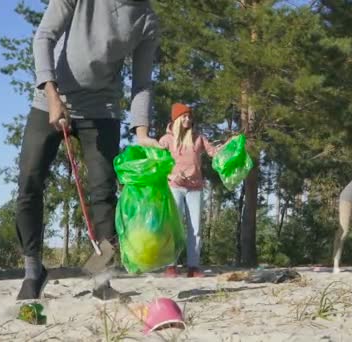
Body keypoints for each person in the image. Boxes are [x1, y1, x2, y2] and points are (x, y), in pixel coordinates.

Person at [15, 0, 161, 300]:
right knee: (29, 180)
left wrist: (142, 132)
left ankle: (100, 278)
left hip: (102, 109)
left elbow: (142, 83)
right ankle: (33, 270)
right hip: (50, 100)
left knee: (103, 193)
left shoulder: (146, 19)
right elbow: (44, 36)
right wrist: (52, 94)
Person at [158, 103, 223, 278]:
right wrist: (171, 177)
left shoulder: (198, 138)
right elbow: (157, 163)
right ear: (177, 119)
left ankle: (193, 267)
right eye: (184, 116)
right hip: (174, 188)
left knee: (195, 228)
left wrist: (227, 146)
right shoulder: (167, 139)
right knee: (173, 227)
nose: (188, 119)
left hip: (195, 189)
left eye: (190, 116)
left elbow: (213, 152)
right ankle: (171, 266)